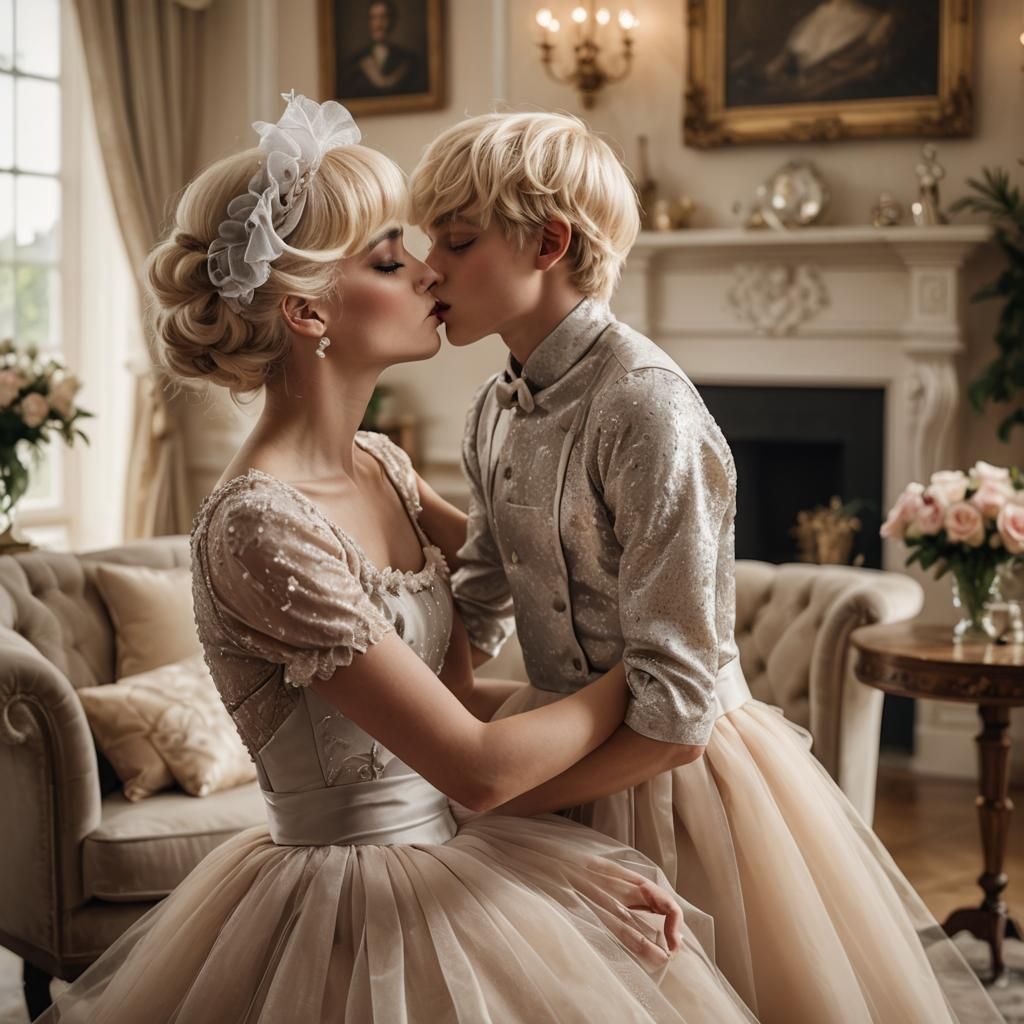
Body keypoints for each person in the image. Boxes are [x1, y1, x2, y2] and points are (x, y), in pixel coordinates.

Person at [36, 94, 758, 1023]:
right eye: (392, 256)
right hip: (348, 903)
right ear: (305, 310)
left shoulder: (385, 463)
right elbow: (478, 766)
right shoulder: (260, 525)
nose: (426, 273)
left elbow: (460, 682)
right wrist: (661, 670)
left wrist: (574, 863)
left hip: (446, 844)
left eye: (435, 247)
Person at [409, 110, 1003, 1024]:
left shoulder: (645, 410)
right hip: (554, 743)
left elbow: (677, 713)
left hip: (673, 784)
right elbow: (482, 594)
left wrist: (495, 806)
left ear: (551, 243)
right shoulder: (493, 408)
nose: (428, 269)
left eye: (455, 240)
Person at [340, 0, 425, 98]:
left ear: (392, 21)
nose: (378, 24)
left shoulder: (408, 60)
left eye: (383, 17)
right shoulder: (355, 61)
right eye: (374, 18)